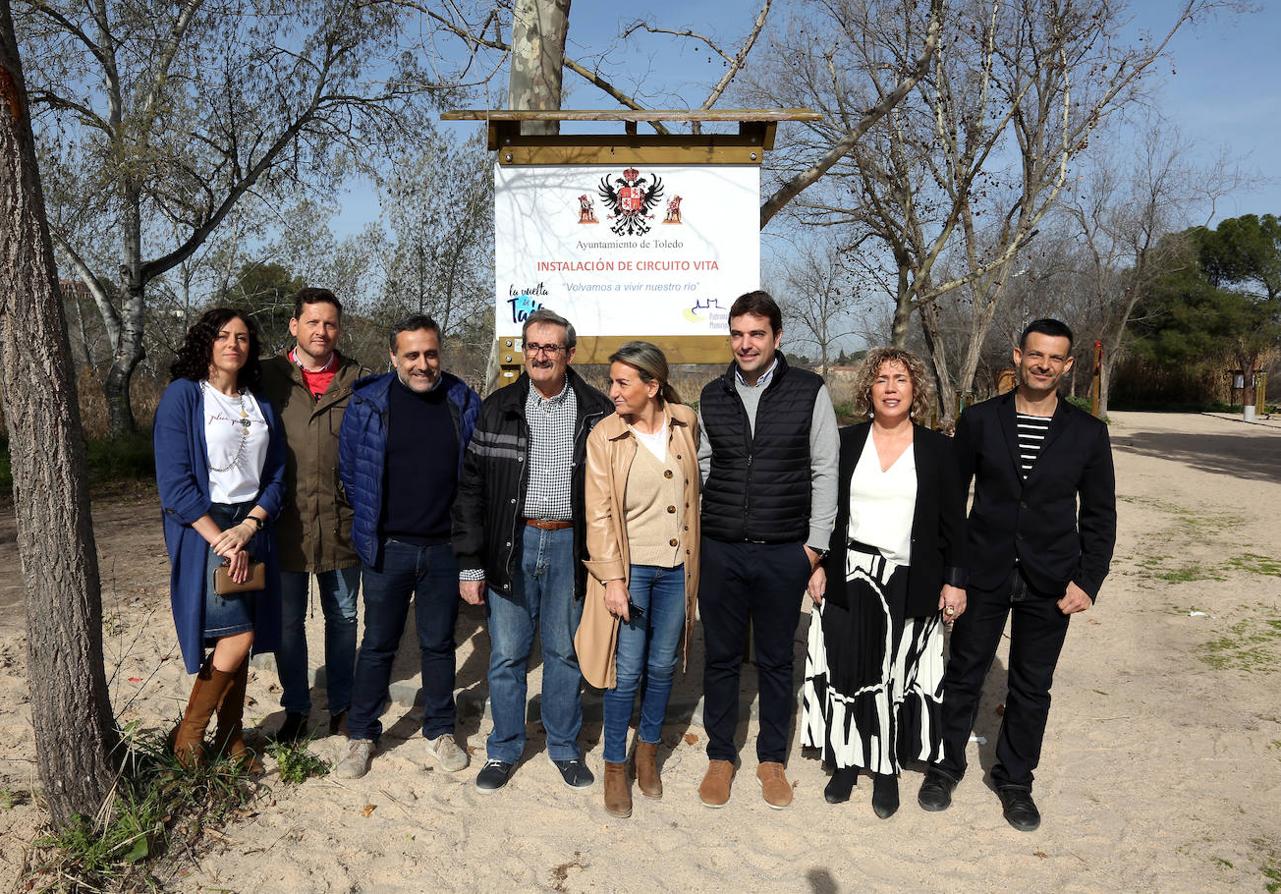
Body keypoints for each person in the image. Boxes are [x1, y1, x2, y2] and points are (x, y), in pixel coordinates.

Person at [917, 318, 1116, 831]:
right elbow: (952, 505)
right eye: (1035, 355)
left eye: (1054, 358)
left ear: (1068, 366)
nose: (1043, 365)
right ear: (1018, 355)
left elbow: (1099, 515)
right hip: (984, 572)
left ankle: (1015, 781)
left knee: (1032, 685)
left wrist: (1087, 581)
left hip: (1051, 579)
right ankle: (945, 767)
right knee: (963, 674)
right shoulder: (981, 420)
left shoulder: (1088, 433)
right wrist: (954, 574)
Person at [799, 347, 967, 819]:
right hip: (849, 575)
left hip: (910, 580)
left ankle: (887, 768)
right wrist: (817, 564)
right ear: (868, 390)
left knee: (894, 678)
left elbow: (955, 523)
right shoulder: (846, 442)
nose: (891, 388)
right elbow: (824, 512)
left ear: (916, 390)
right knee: (848, 672)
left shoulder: (938, 449)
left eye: (901, 379)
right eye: (882, 379)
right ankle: (847, 764)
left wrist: (955, 581)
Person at [453, 308, 614, 794]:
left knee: (564, 652)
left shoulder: (596, 410)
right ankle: (504, 748)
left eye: (551, 347)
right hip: (512, 541)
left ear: (568, 354)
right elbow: (471, 490)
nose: (541, 355)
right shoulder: (496, 407)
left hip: (571, 542)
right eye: (533, 346)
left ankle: (564, 748)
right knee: (506, 654)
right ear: (524, 352)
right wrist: (470, 562)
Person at [696, 290, 840, 810]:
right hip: (723, 549)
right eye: (737, 334)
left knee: (778, 660)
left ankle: (771, 759)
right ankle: (719, 756)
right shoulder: (713, 395)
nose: (746, 343)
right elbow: (706, 464)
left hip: (784, 551)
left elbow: (826, 469)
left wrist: (814, 547)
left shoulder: (809, 390)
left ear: (777, 338)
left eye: (756, 334)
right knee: (721, 658)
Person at [332, 315, 480, 779]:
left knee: (438, 645)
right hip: (388, 548)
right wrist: (378, 524)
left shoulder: (462, 400)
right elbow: (352, 475)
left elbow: (472, 476)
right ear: (393, 356)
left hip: (442, 549)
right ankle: (361, 734)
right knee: (378, 644)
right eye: (412, 355)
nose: (423, 364)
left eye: (430, 354)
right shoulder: (368, 404)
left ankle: (439, 729)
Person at [154, 308, 285, 770]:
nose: (234, 343)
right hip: (203, 528)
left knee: (240, 635)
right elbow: (175, 486)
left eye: (243, 337)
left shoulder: (258, 401)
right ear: (206, 343)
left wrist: (251, 525)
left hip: (251, 526)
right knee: (238, 632)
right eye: (224, 335)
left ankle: (231, 740)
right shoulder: (184, 396)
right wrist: (221, 539)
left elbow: (277, 473)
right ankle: (188, 739)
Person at [580, 342, 701, 818]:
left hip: (678, 570)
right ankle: (615, 764)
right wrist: (612, 579)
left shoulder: (685, 423)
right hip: (631, 573)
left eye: (622, 382)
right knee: (625, 671)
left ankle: (646, 752)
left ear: (653, 386)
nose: (612, 391)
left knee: (663, 666)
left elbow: (694, 495)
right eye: (611, 381)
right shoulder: (604, 437)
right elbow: (600, 515)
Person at [259, 287, 369, 742]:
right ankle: (298, 708)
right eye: (312, 322)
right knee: (287, 624)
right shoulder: (267, 376)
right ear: (294, 326)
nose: (321, 331)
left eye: (329, 324)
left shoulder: (360, 380)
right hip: (285, 523)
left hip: (342, 525)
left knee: (343, 619)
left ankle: (342, 705)